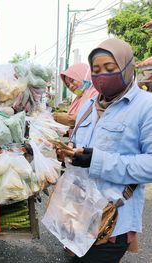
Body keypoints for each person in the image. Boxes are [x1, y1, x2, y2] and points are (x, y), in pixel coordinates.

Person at [57, 38, 152, 262]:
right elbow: (78, 145)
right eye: (97, 70)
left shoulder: (146, 106)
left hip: (112, 219)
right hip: (78, 213)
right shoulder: (88, 107)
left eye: (110, 69)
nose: (102, 76)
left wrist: (96, 160)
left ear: (128, 68)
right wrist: (69, 152)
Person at [53, 63, 98, 133]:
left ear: (83, 75)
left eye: (72, 81)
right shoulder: (79, 98)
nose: (70, 86)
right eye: (67, 85)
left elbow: (82, 118)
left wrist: (55, 117)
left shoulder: (95, 93)